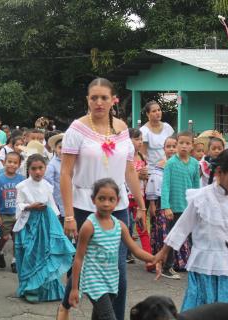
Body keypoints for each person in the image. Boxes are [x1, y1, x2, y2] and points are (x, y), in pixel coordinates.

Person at [59, 78, 146, 320]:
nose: (98, 102)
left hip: (118, 208)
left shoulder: (121, 128)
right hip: (83, 207)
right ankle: (65, 306)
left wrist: (141, 205)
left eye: (104, 97)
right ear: (87, 100)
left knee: (117, 269)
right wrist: (68, 215)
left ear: (113, 100)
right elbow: (65, 173)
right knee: (86, 263)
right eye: (93, 97)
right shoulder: (76, 130)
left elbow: (130, 171)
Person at [156, 148, 228, 311]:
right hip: (203, 264)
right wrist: (163, 252)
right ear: (219, 172)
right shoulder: (201, 198)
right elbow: (182, 227)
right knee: (202, 309)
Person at [68, 179, 159, 320]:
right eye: (101, 198)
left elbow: (135, 249)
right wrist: (74, 288)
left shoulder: (120, 225)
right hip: (94, 281)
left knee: (99, 316)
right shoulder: (89, 226)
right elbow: (79, 258)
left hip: (111, 279)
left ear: (117, 201)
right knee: (109, 316)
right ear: (93, 200)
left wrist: (153, 259)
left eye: (111, 199)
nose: (106, 203)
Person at [14, 154, 75, 302]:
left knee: (45, 253)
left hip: (46, 222)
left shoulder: (48, 185)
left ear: (45, 168)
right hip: (29, 223)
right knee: (30, 254)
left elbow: (52, 205)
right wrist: (30, 206)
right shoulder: (22, 186)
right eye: (34, 169)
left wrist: (58, 223)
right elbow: (18, 205)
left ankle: (46, 287)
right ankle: (30, 287)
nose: (37, 172)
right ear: (28, 169)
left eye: (40, 168)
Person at [161, 131, 200, 277]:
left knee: (194, 237)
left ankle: (196, 265)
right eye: (181, 143)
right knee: (174, 237)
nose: (184, 146)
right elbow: (165, 186)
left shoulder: (195, 164)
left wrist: (198, 205)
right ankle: (167, 267)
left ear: (192, 146)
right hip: (174, 208)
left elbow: (196, 187)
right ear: (177, 144)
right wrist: (166, 206)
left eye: (187, 143)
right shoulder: (170, 163)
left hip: (189, 207)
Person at [0, 152, 24, 272]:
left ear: (19, 164)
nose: (12, 164)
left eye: (15, 162)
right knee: (5, 237)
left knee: (17, 239)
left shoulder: (21, 179)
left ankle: (15, 261)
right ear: (4, 162)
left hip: (17, 214)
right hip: (4, 214)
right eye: (9, 161)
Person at [148, 136, 177, 256]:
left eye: (174, 146)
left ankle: (177, 262)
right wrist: (152, 204)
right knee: (162, 230)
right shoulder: (159, 165)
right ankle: (162, 258)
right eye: (168, 147)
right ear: (164, 149)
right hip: (161, 203)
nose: (171, 149)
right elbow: (153, 186)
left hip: (177, 201)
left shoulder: (182, 164)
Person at [127, 128, 152, 265]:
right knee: (125, 226)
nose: (140, 142)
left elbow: (145, 178)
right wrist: (137, 175)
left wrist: (145, 177)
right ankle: (124, 254)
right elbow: (123, 177)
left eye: (141, 139)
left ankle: (148, 259)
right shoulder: (125, 157)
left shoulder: (142, 158)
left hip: (139, 197)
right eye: (137, 139)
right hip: (125, 197)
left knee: (142, 227)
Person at [139, 101, 175, 167]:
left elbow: (174, 147)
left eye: (159, 110)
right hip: (152, 169)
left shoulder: (167, 127)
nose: (158, 113)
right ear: (147, 114)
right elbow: (142, 154)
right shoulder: (144, 131)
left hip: (168, 166)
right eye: (154, 111)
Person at [44, 133, 65, 223]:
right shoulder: (52, 165)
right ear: (55, 149)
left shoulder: (74, 161)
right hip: (58, 201)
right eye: (60, 148)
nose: (63, 151)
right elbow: (49, 184)